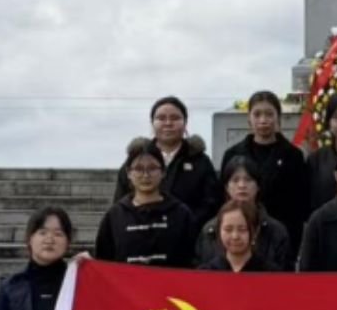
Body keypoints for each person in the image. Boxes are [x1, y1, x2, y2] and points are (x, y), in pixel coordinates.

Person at [112, 96, 222, 226]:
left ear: (185, 123)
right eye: (161, 118)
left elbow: (211, 204)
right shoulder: (136, 160)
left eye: (175, 118)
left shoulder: (200, 161)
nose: (168, 123)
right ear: (152, 123)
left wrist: (184, 223)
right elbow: (120, 204)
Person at [221, 91, 310, 248]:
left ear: (278, 117)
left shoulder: (293, 156)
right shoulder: (233, 154)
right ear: (249, 119)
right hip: (240, 235)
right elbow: (223, 199)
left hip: (280, 238)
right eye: (257, 114)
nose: (263, 120)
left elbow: (299, 206)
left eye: (269, 114)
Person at [96, 140, 198, 268]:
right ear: (129, 173)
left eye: (152, 168)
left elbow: (192, 260)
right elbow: (103, 262)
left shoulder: (181, 214)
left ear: (163, 172)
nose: (145, 175)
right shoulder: (114, 216)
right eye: (138, 169)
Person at [196, 157, 294, 271]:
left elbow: (286, 276)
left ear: (258, 186)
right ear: (226, 187)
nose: (242, 185)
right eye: (235, 180)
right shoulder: (209, 230)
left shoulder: (276, 231)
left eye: (248, 180)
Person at [199, 200, 271, 274]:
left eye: (242, 229)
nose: (235, 236)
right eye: (228, 229)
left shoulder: (270, 273)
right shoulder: (205, 272)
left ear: (256, 231)